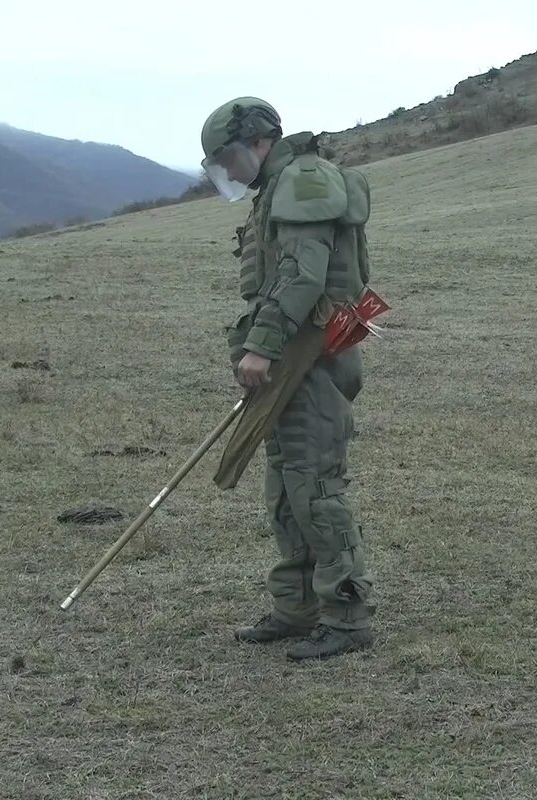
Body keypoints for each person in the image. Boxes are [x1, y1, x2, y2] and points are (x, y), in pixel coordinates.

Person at [199, 97, 375, 661]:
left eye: (229, 155)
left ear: (258, 140)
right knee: (286, 486)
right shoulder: (277, 187)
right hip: (289, 357)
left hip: (310, 355)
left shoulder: (303, 181)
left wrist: (260, 346)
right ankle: (297, 608)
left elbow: (303, 275)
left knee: (315, 487)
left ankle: (346, 617)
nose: (227, 171)